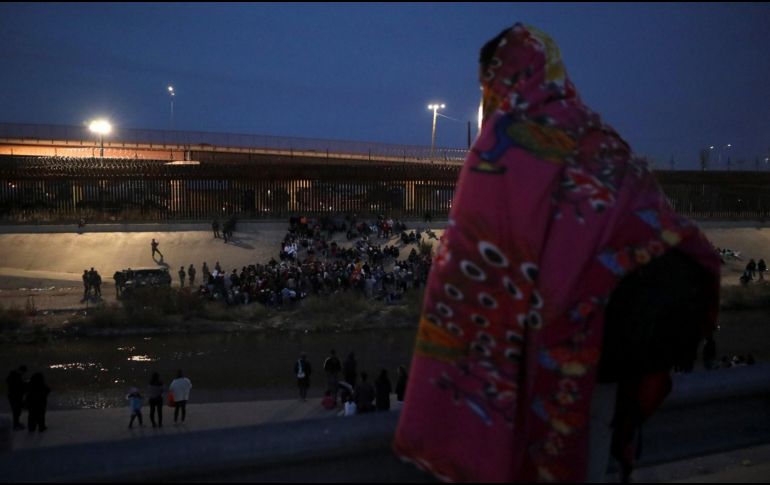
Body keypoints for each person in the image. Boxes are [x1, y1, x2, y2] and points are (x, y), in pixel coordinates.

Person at [393, 23, 720, 483]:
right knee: (590, 456)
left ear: (496, 80)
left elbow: (470, 273)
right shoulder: (603, 141)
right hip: (608, 361)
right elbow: (660, 231)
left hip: (535, 370)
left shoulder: (502, 149)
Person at [6, 365, 27, 430]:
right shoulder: (16, 377)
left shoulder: (13, 376)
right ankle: (16, 424)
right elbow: (18, 386)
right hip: (15, 396)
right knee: (16, 411)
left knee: (16, 411)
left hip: (14, 396)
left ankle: (16, 423)